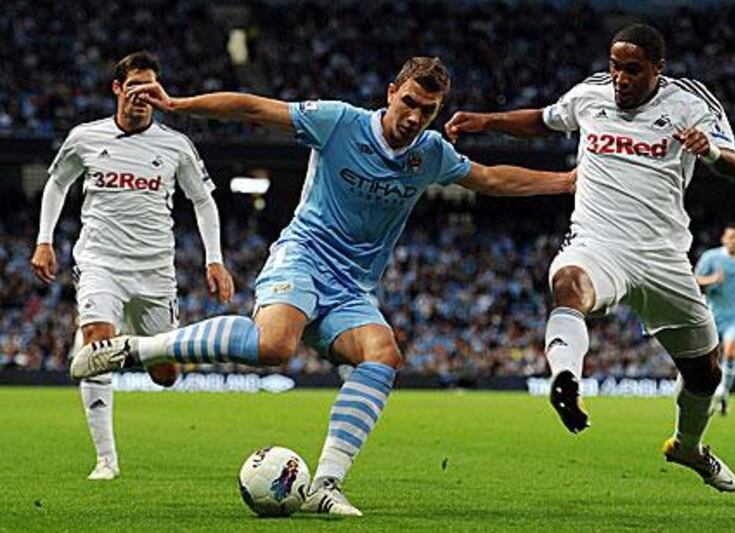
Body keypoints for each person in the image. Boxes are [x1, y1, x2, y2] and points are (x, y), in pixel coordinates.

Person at [69, 56, 575, 515]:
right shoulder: (338, 122)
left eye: (430, 109)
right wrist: (179, 104)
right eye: (410, 103)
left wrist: (565, 182)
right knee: (274, 346)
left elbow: (489, 178)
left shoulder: (431, 153)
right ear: (391, 91)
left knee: (383, 354)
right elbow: (253, 108)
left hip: (353, 287)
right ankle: (132, 349)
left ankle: (325, 484)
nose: (416, 118)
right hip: (303, 258)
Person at [445, 24, 735, 491]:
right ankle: (566, 377)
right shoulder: (591, 94)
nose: (621, 78)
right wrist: (486, 121)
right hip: (599, 241)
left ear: (657, 69)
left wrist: (708, 152)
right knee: (568, 283)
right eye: (615, 66)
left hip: (663, 255)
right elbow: (543, 120)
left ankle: (689, 447)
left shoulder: (691, 102)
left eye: (633, 69)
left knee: (705, 372)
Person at [30, 51, 234, 480]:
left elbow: (202, 199)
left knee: (164, 374)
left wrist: (214, 260)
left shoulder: (176, 145)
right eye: (134, 87)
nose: (142, 96)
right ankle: (106, 460)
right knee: (98, 346)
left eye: (150, 88)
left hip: (156, 271)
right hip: (99, 261)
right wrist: (44, 240)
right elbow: (57, 183)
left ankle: (126, 345)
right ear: (117, 89)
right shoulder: (85, 137)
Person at [695, 224, 735, 415]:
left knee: (730, 353)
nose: (734, 241)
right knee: (709, 356)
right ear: (723, 239)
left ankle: (722, 390)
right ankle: (715, 393)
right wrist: (713, 279)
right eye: (731, 237)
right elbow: (694, 279)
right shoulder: (711, 257)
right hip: (713, 312)